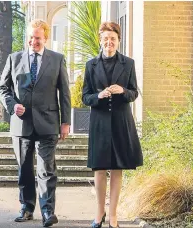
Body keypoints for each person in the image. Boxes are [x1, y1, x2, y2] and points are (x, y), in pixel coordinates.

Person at [0, 19, 71, 227]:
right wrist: (13, 106)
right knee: (25, 169)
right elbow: (2, 88)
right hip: (21, 124)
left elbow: (65, 93)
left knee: (46, 169)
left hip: (48, 123)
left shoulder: (57, 60)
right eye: (30, 37)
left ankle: (48, 212)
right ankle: (27, 207)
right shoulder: (14, 59)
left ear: (45, 38)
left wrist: (65, 121)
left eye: (37, 38)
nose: (33, 41)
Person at [82, 22, 143, 228]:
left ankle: (113, 216)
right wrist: (98, 95)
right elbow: (85, 96)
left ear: (118, 41)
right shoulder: (91, 65)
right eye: (106, 38)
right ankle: (99, 214)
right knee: (99, 169)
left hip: (120, 121)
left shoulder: (129, 63)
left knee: (118, 169)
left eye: (113, 39)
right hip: (99, 122)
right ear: (101, 40)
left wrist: (123, 91)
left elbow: (134, 93)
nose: (109, 42)